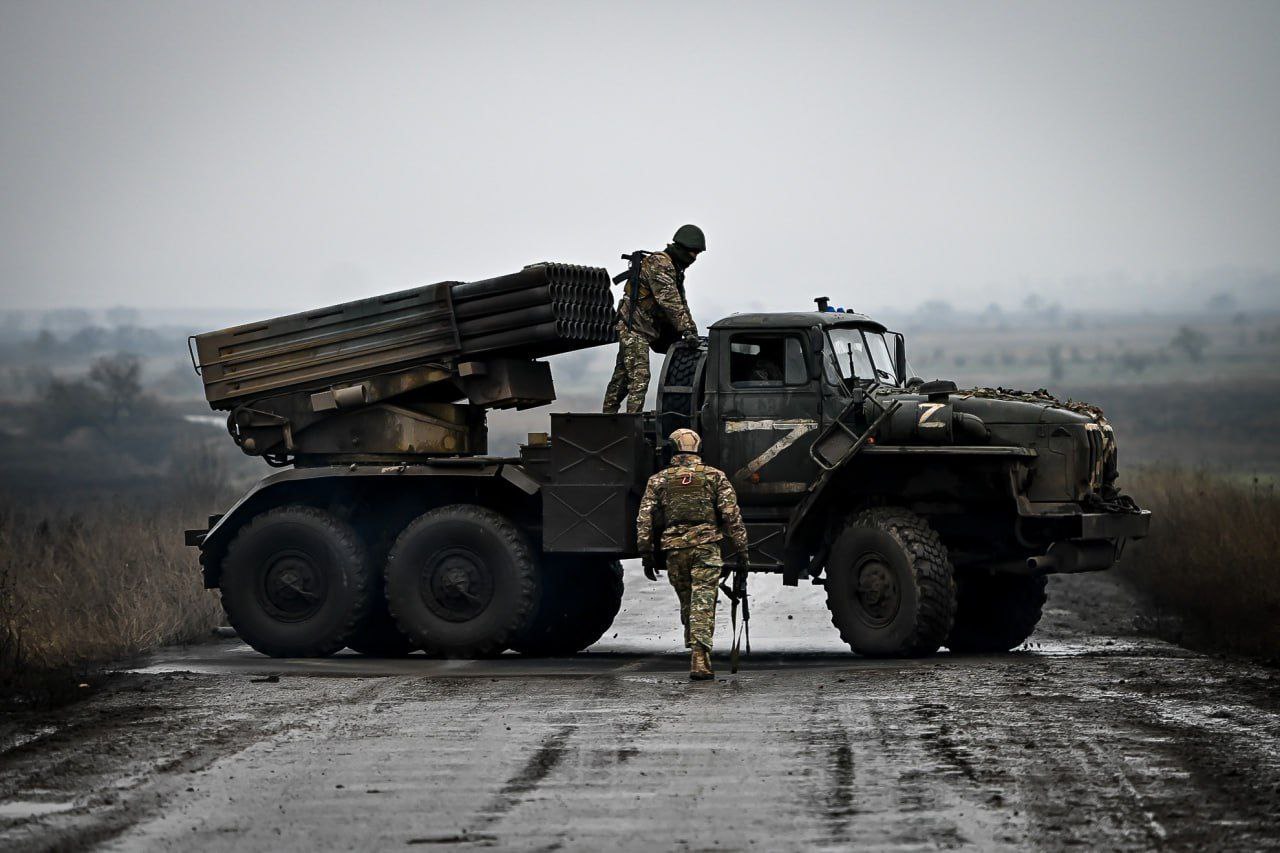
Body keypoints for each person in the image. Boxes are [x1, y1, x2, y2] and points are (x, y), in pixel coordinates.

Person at [636, 427, 749, 680]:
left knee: (689, 602)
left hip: (675, 550)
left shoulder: (659, 480)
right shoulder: (714, 477)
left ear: (673, 449)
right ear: (698, 448)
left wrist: (646, 553)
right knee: (703, 601)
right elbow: (732, 516)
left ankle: (696, 648)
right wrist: (742, 551)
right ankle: (699, 657)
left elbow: (644, 520)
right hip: (706, 548)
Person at [602, 224, 705, 414]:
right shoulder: (659, 264)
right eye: (692, 253)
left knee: (623, 377)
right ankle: (630, 425)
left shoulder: (674, 269)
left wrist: (692, 331)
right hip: (634, 328)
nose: (694, 258)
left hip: (644, 328)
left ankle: (608, 420)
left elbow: (681, 302)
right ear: (682, 248)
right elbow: (669, 301)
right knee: (640, 376)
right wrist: (687, 330)